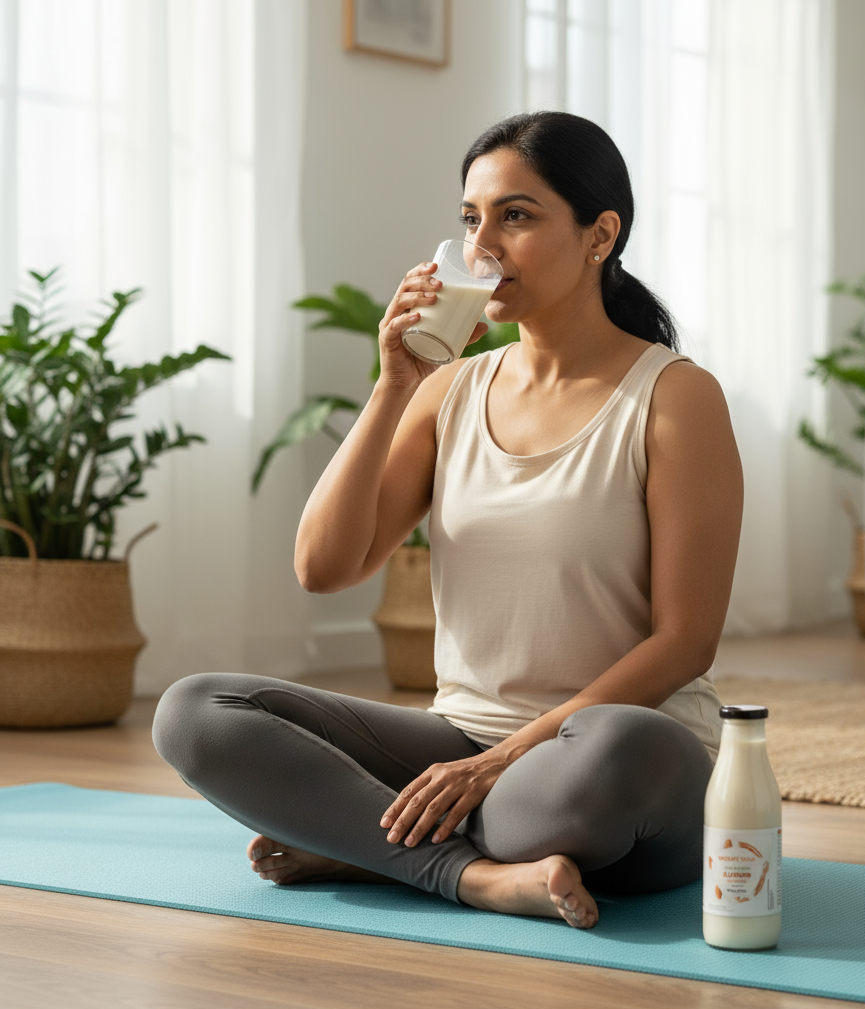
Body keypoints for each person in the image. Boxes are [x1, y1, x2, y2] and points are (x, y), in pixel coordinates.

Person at [153, 111, 743, 930]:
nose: (485, 246)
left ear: (600, 235)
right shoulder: (448, 391)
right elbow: (323, 567)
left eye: (518, 216)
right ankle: (476, 877)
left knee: (606, 759)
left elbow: (686, 642)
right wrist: (394, 384)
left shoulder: (676, 398)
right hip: (459, 742)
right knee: (194, 712)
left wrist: (504, 761)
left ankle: (364, 838)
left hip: (605, 761)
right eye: (472, 219)